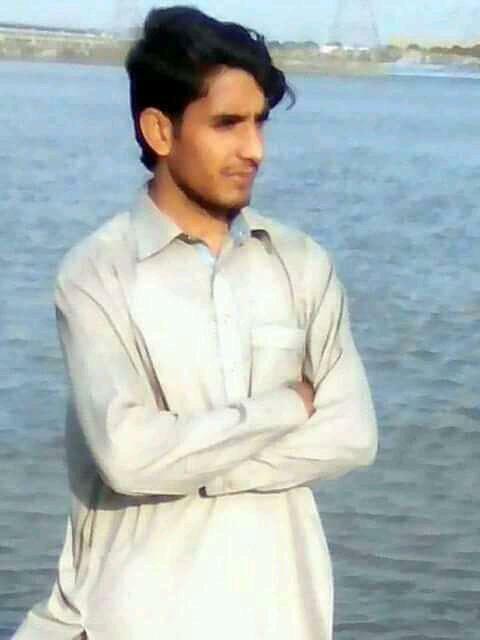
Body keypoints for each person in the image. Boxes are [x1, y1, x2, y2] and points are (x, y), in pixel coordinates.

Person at [12, 6, 378, 640]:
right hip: (135, 619)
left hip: (283, 617)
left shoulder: (301, 265)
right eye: (228, 124)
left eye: (260, 123)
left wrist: (191, 466)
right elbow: (129, 457)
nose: (254, 150)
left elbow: (351, 434)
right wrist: (285, 408)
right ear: (160, 130)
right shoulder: (97, 274)